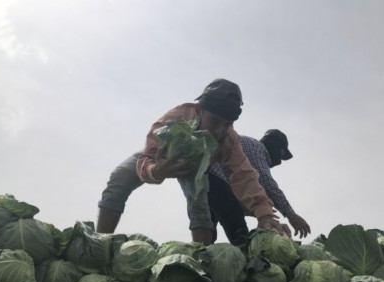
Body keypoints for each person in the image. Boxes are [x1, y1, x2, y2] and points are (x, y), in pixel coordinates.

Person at [100, 78, 290, 244]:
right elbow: (149, 153)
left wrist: (264, 214)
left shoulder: (229, 140)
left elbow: (245, 175)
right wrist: (157, 171)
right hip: (164, 158)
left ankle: (202, 262)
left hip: (195, 169)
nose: (219, 130)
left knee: (201, 209)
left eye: (227, 124)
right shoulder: (179, 115)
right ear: (201, 111)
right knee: (119, 177)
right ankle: (101, 242)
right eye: (215, 121)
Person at [207, 129, 310, 246]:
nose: (279, 161)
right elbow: (267, 184)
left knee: (206, 227)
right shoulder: (257, 148)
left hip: (205, 181)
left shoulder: (249, 147)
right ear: (274, 144)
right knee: (238, 231)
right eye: (281, 153)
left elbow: (240, 189)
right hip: (213, 177)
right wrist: (291, 215)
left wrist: (257, 210)